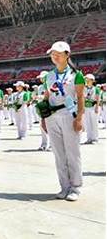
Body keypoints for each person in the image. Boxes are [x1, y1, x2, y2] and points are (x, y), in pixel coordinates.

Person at [41, 41, 85, 202]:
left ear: (67, 54)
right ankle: (64, 186)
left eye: (58, 53)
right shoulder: (49, 75)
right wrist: (43, 118)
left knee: (72, 152)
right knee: (59, 153)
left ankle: (75, 187)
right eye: (53, 54)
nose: (55, 56)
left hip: (69, 114)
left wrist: (79, 118)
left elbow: (80, 97)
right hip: (52, 116)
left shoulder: (76, 75)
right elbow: (47, 96)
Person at [82, 74, 99, 144]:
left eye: (88, 79)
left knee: (94, 123)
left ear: (92, 80)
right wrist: (82, 107)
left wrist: (97, 108)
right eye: (86, 79)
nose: (86, 80)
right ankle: (89, 138)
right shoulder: (84, 88)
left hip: (93, 107)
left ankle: (95, 138)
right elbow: (83, 98)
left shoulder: (96, 89)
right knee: (87, 123)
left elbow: (97, 99)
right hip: (86, 107)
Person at [36, 71, 51, 151]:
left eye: (42, 77)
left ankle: (51, 144)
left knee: (50, 127)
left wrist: (40, 97)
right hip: (42, 108)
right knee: (42, 127)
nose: (41, 79)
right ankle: (44, 144)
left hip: (49, 108)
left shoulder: (51, 85)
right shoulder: (40, 87)